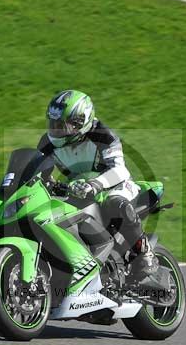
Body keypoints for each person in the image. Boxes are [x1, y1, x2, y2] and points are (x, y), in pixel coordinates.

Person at [37, 89, 159, 282]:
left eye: (61, 125)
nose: (55, 130)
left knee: (116, 202)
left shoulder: (103, 135)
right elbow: (37, 172)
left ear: (79, 122)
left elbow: (120, 170)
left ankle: (144, 253)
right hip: (77, 191)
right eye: (52, 124)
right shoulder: (46, 143)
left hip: (115, 185)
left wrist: (95, 184)